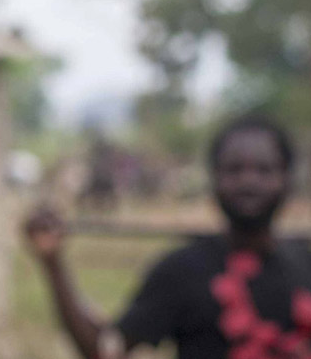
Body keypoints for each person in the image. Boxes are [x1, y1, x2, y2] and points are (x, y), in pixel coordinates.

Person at [25, 117, 311, 359]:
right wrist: (53, 264)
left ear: (286, 178)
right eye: (234, 170)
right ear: (215, 178)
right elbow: (104, 349)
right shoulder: (182, 271)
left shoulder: (306, 261)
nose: (249, 182)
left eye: (264, 170)